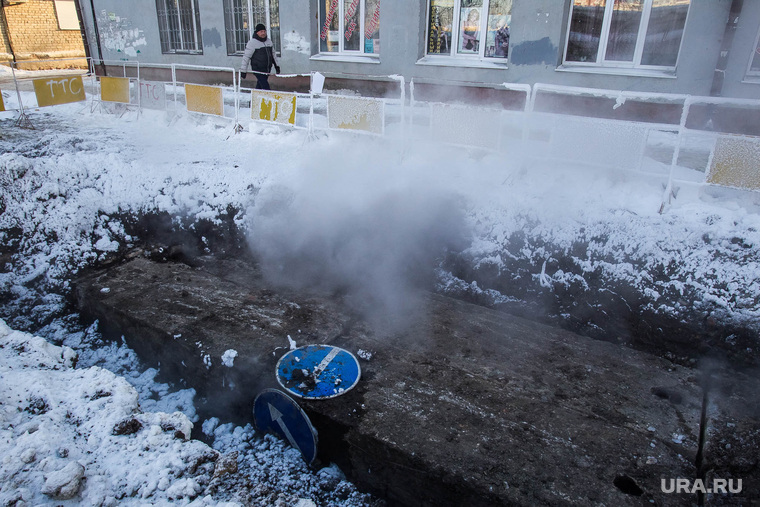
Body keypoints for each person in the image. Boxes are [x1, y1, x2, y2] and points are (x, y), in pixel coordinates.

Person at [240, 23, 280, 90]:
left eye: (264, 31)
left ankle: (255, 99)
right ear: (257, 32)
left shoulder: (269, 41)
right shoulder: (252, 43)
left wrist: (277, 66)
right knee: (265, 87)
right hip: (258, 69)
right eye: (261, 31)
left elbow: (273, 55)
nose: (263, 33)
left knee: (259, 86)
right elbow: (246, 57)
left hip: (267, 69)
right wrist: (243, 71)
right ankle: (269, 98)